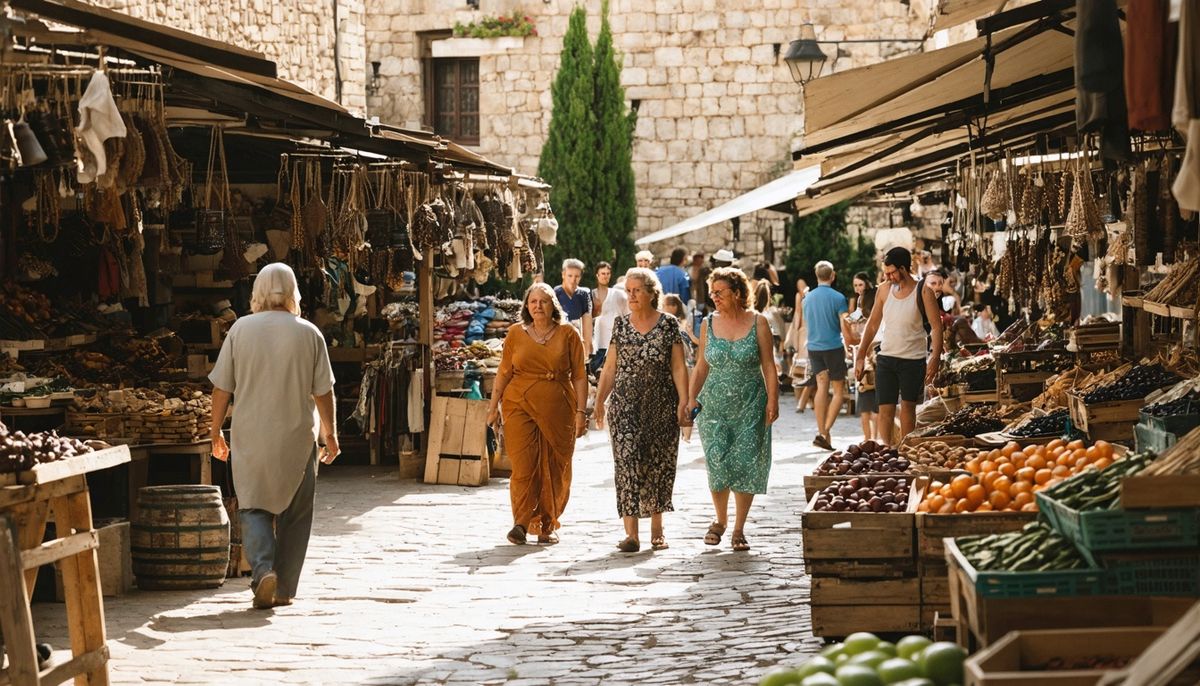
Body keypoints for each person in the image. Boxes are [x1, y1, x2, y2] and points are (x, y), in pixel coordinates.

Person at [208, 263, 338, 610]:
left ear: (258, 292)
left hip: (250, 437)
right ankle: (284, 589)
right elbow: (323, 392)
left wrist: (215, 432)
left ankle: (264, 571)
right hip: (298, 438)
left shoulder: (240, 329)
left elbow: (222, 388)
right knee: (296, 514)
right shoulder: (309, 333)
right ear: (294, 292)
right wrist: (331, 434)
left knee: (253, 507)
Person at [594, 269, 690, 553]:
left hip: (661, 405)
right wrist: (599, 401)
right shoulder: (621, 325)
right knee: (627, 465)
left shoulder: (668, 324)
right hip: (625, 405)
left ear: (651, 293)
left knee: (659, 464)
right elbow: (610, 368)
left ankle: (657, 530)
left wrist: (684, 402)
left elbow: (678, 367)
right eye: (629, 290)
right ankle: (631, 534)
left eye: (637, 290)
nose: (632, 295)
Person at [487, 283, 589, 545]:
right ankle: (520, 523)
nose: (537, 306)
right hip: (518, 405)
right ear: (526, 306)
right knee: (523, 466)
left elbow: (579, 375)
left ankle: (547, 524)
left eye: (543, 301)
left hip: (559, 409)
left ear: (553, 305)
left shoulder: (568, 333)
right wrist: (492, 407)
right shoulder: (515, 333)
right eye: (532, 301)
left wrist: (581, 411)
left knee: (556, 467)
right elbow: (504, 372)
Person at [686, 267, 779, 552]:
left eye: (720, 292)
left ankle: (739, 527)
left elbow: (769, 365)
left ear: (737, 293)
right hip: (714, 406)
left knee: (746, 461)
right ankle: (720, 519)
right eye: (712, 292)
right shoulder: (707, 324)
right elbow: (701, 366)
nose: (714, 297)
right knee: (717, 461)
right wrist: (690, 398)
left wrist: (773, 401)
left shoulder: (759, 322)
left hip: (751, 403)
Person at [854, 247, 944, 446]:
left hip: (913, 360)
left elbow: (937, 327)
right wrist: (860, 355)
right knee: (884, 409)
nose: (887, 277)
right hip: (886, 358)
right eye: (885, 273)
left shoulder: (924, 291)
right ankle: (886, 453)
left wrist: (935, 358)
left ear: (903, 268)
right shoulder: (884, 290)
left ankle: (906, 451)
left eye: (891, 272)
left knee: (908, 408)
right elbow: (872, 324)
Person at [804, 260, 849, 451]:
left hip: (814, 347)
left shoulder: (806, 299)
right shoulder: (839, 298)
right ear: (833, 276)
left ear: (816, 276)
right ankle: (824, 433)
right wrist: (851, 343)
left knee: (821, 386)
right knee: (839, 391)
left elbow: (806, 324)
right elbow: (844, 325)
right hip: (833, 347)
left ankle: (823, 433)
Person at [842, 272, 878, 442]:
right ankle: (870, 438)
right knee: (867, 393)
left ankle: (871, 438)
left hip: (871, 347)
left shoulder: (872, 297)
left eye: (860, 285)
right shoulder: (861, 299)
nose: (858, 288)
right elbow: (853, 318)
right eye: (855, 285)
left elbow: (857, 319)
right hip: (865, 346)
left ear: (867, 284)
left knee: (868, 391)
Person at [591, 261, 629, 374]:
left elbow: (627, 314)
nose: (605, 276)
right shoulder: (591, 294)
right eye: (603, 273)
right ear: (597, 275)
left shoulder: (618, 294)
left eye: (608, 273)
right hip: (597, 341)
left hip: (614, 341)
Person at [786, 278, 815, 413]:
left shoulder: (808, 296)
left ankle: (804, 401)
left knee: (805, 365)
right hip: (805, 329)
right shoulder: (802, 296)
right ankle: (803, 401)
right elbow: (798, 312)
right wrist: (796, 330)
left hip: (806, 329)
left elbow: (799, 312)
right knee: (804, 365)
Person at [554, 258, 594, 358]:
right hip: (558, 341)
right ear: (563, 275)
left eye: (577, 276)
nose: (573, 280)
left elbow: (587, 320)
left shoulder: (583, 295)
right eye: (570, 276)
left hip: (577, 340)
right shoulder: (555, 293)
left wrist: (587, 346)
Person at [663, 293, 698, 366]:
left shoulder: (685, 322)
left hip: (685, 359)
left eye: (664, 305)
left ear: (674, 306)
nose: (663, 308)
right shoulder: (664, 322)